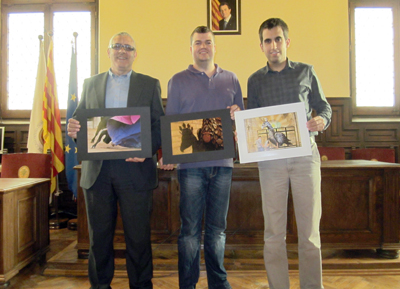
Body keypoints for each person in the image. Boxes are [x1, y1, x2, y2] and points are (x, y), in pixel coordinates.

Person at [67, 32, 164, 289]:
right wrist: (73, 128)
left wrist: (146, 150)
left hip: (136, 170)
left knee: (138, 238)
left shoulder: (149, 84)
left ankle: (141, 285)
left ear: (135, 53)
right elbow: (79, 123)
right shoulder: (90, 84)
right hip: (98, 173)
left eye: (128, 47)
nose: (123, 51)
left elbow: (158, 126)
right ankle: (100, 286)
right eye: (117, 46)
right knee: (99, 238)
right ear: (109, 51)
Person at [247, 18, 332, 289]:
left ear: (287, 41)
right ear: (261, 46)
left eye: (278, 39)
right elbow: (254, 123)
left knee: (309, 233)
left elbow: (324, 107)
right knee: (273, 233)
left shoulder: (306, 72)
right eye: (268, 41)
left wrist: (322, 121)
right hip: (270, 162)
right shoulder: (255, 80)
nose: (274, 46)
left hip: (305, 157)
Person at [161, 26, 243, 289]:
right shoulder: (177, 80)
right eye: (198, 43)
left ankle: (218, 283)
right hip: (190, 169)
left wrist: (236, 116)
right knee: (189, 232)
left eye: (208, 42)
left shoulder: (231, 79)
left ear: (215, 47)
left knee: (218, 231)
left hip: (223, 166)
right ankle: (188, 284)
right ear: (191, 48)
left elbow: (240, 120)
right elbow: (171, 123)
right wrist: (169, 154)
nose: (203, 46)